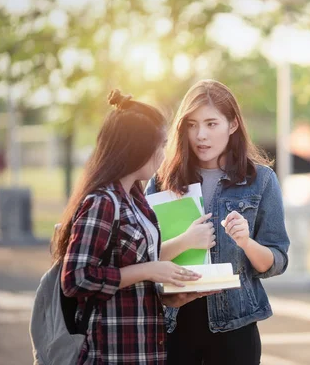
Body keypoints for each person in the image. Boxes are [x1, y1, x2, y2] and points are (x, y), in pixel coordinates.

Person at [146, 79, 290, 365]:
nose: (201, 135)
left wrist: (246, 242)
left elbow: (275, 262)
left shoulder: (261, 181)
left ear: (233, 124)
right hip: (174, 324)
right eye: (192, 124)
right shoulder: (162, 181)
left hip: (236, 329)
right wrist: (185, 242)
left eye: (211, 124)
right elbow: (144, 258)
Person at [55, 89, 201, 365]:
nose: (163, 154)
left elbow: (132, 283)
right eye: (160, 146)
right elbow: (75, 279)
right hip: (111, 352)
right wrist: (148, 269)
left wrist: (169, 299)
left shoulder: (136, 198)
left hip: (143, 350)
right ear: (138, 148)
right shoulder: (102, 202)